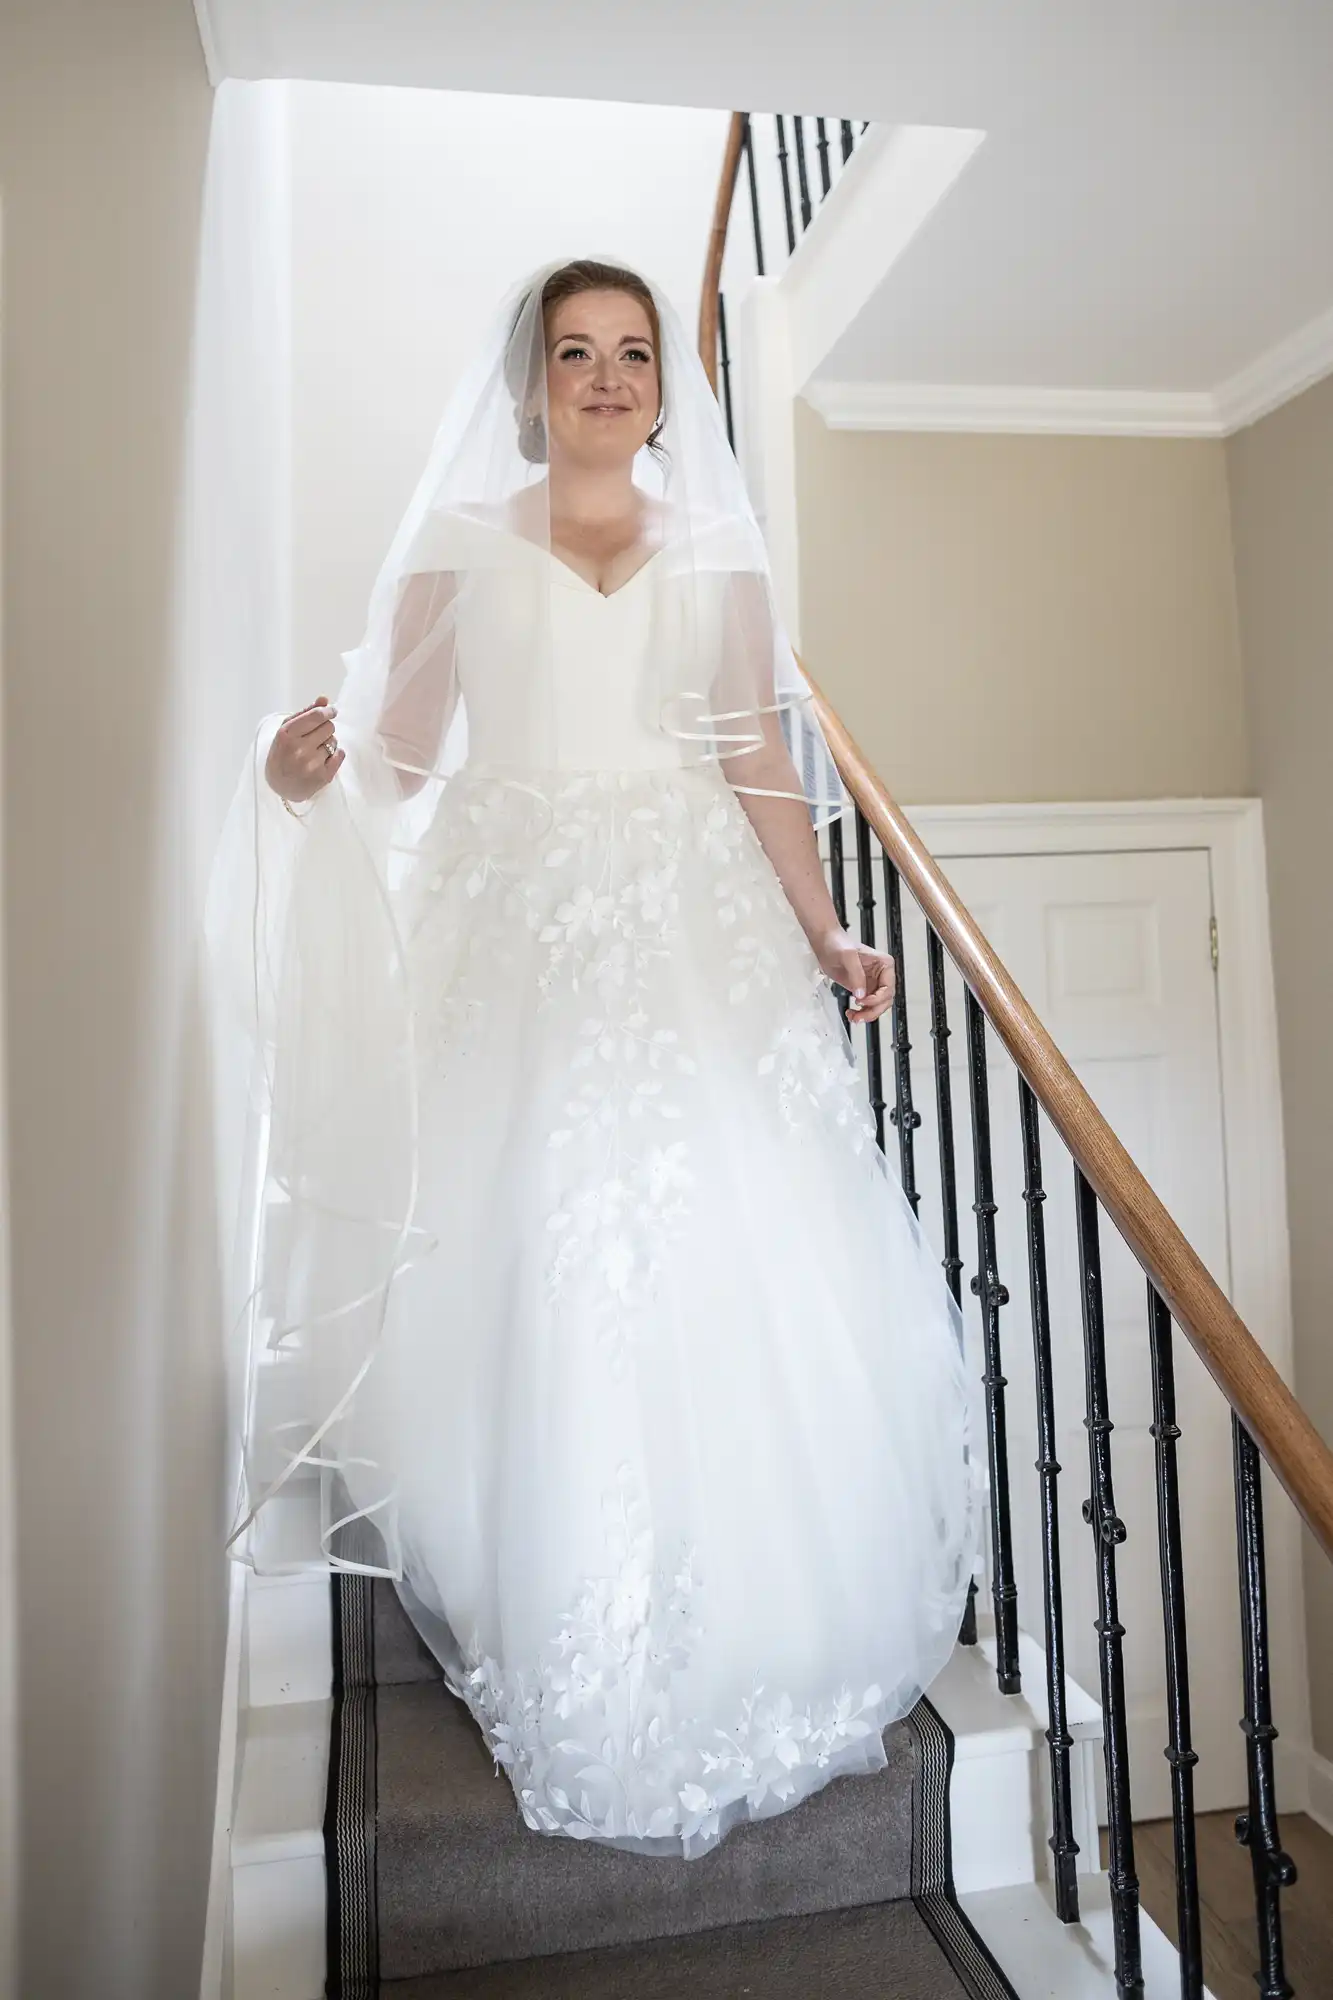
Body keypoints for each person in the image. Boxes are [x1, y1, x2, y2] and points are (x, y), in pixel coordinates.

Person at [206, 256, 984, 1860]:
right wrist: (308, 781)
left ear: (660, 383)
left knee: (714, 1252)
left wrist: (827, 930)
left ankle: (740, 1608)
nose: (611, 379)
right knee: (548, 1252)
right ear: (533, 382)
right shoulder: (459, 546)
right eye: (579, 354)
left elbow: (753, 749)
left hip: (686, 919)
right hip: (524, 928)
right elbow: (407, 755)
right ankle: (575, 1605)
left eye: (635, 353)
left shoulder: (714, 553)